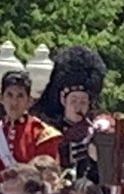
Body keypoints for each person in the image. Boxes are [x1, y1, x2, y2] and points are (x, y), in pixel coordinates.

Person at [0, 70, 61, 187]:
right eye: (9, 95)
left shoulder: (43, 134)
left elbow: (48, 177)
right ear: (1, 98)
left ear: (29, 101)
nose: (14, 102)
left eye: (20, 96)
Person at [33, 46, 109, 183]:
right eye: (73, 100)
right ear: (63, 100)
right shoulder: (49, 130)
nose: (78, 106)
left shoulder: (95, 127)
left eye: (83, 101)